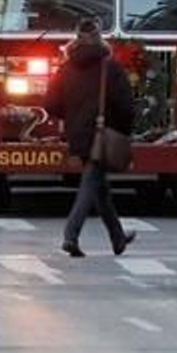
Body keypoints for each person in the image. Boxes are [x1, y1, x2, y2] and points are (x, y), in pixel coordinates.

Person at [46, 19, 136, 258]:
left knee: (100, 188)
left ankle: (118, 238)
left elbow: (51, 104)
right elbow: (127, 107)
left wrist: (72, 117)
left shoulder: (65, 69)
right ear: (100, 38)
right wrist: (122, 130)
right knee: (90, 185)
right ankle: (70, 235)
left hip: (77, 134)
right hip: (102, 134)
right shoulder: (111, 68)